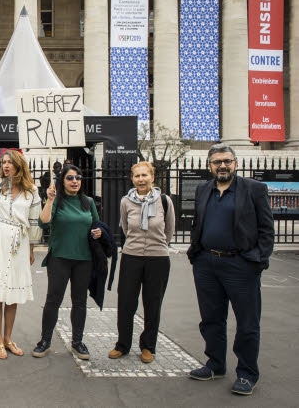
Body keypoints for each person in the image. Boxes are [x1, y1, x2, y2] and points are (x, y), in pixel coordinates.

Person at [187, 144, 274, 396]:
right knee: (211, 319)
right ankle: (215, 364)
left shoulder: (254, 189)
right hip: (206, 263)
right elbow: (198, 223)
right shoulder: (204, 189)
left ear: (235, 163)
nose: (222, 166)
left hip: (240, 265)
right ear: (209, 166)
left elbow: (266, 229)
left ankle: (247, 373)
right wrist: (197, 252)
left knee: (247, 322)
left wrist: (256, 259)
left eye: (227, 161)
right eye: (217, 162)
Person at [0, 112, 41, 359]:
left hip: (20, 242)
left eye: (9, 162)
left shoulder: (32, 191)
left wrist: (32, 247)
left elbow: (35, 222)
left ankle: (9, 338)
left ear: (18, 165)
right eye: (2, 162)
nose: (4, 165)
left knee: (12, 293)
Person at [108, 161, 175, 364]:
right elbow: (126, 228)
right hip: (132, 256)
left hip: (158, 258)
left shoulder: (164, 201)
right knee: (126, 302)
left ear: (152, 177)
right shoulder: (126, 202)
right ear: (132, 179)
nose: (141, 179)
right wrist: (135, 245)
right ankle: (123, 344)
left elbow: (169, 229)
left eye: (145, 175)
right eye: (137, 176)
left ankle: (148, 346)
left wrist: (158, 245)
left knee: (152, 304)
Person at [33, 164, 101, 360]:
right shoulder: (56, 201)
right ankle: (45, 341)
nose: (75, 181)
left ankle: (77, 342)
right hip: (59, 258)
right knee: (53, 300)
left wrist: (98, 233)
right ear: (62, 181)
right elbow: (43, 222)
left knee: (80, 302)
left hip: (84, 260)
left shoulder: (88, 202)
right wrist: (50, 200)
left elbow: (97, 226)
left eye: (78, 178)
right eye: (70, 178)